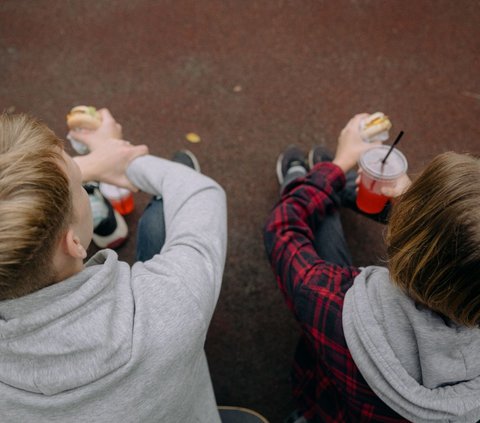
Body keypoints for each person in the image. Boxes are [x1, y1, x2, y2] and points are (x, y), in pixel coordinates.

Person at [0, 110, 227, 422]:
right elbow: (201, 193)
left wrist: (90, 165)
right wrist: (127, 160)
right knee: (160, 220)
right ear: (75, 243)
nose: (85, 180)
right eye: (82, 185)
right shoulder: (172, 303)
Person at [264, 113, 480, 423]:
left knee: (315, 213)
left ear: (400, 232)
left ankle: (312, 181)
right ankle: (325, 185)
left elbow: (282, 229)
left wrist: (339, 164)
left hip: (324, 407)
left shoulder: (327, 297)